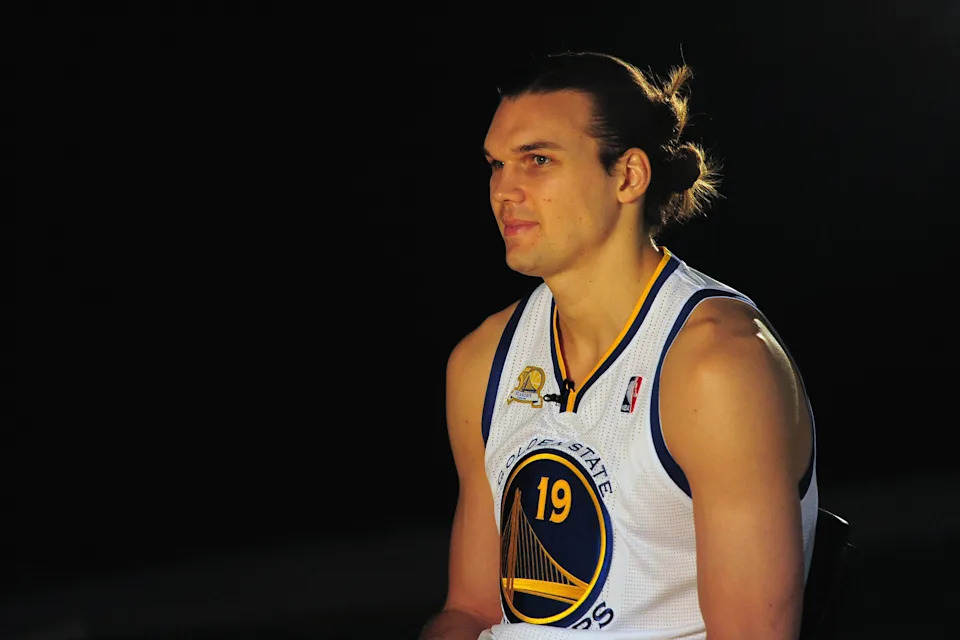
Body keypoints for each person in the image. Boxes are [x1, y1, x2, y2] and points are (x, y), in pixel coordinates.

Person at [419, 51, 818, 640]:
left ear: (628, 176)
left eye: (537, 160)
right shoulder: (482, 362)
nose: (504, 189)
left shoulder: (717, 362)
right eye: (496, 164)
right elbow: (473, 611)